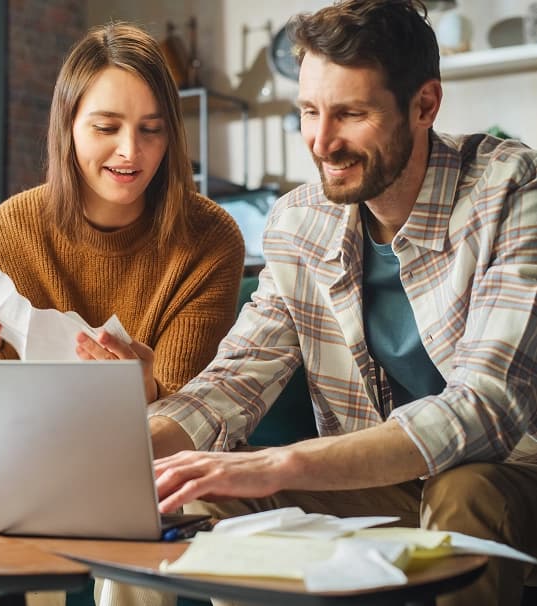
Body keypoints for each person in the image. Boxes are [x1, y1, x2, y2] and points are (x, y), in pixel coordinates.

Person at [129, 2, 536, 606]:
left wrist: (280, 464)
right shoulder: (300, 222)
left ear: (425, 105)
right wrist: (130, 446)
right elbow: (235, 381)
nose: (321, 142)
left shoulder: (511, 188)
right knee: (189, 487)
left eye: (351, 113)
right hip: (376, 486)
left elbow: (483, 409)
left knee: (464, 486)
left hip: (510, 476)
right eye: (309, 112)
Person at [0, 22, 244, 401]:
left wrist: (143, 390)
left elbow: (191, 418)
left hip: (161, 453)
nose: (130, 151)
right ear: (67, 127)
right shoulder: (10, 231)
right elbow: (3, 404)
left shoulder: (211, 238)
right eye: (106, 127)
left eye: (151, 130)